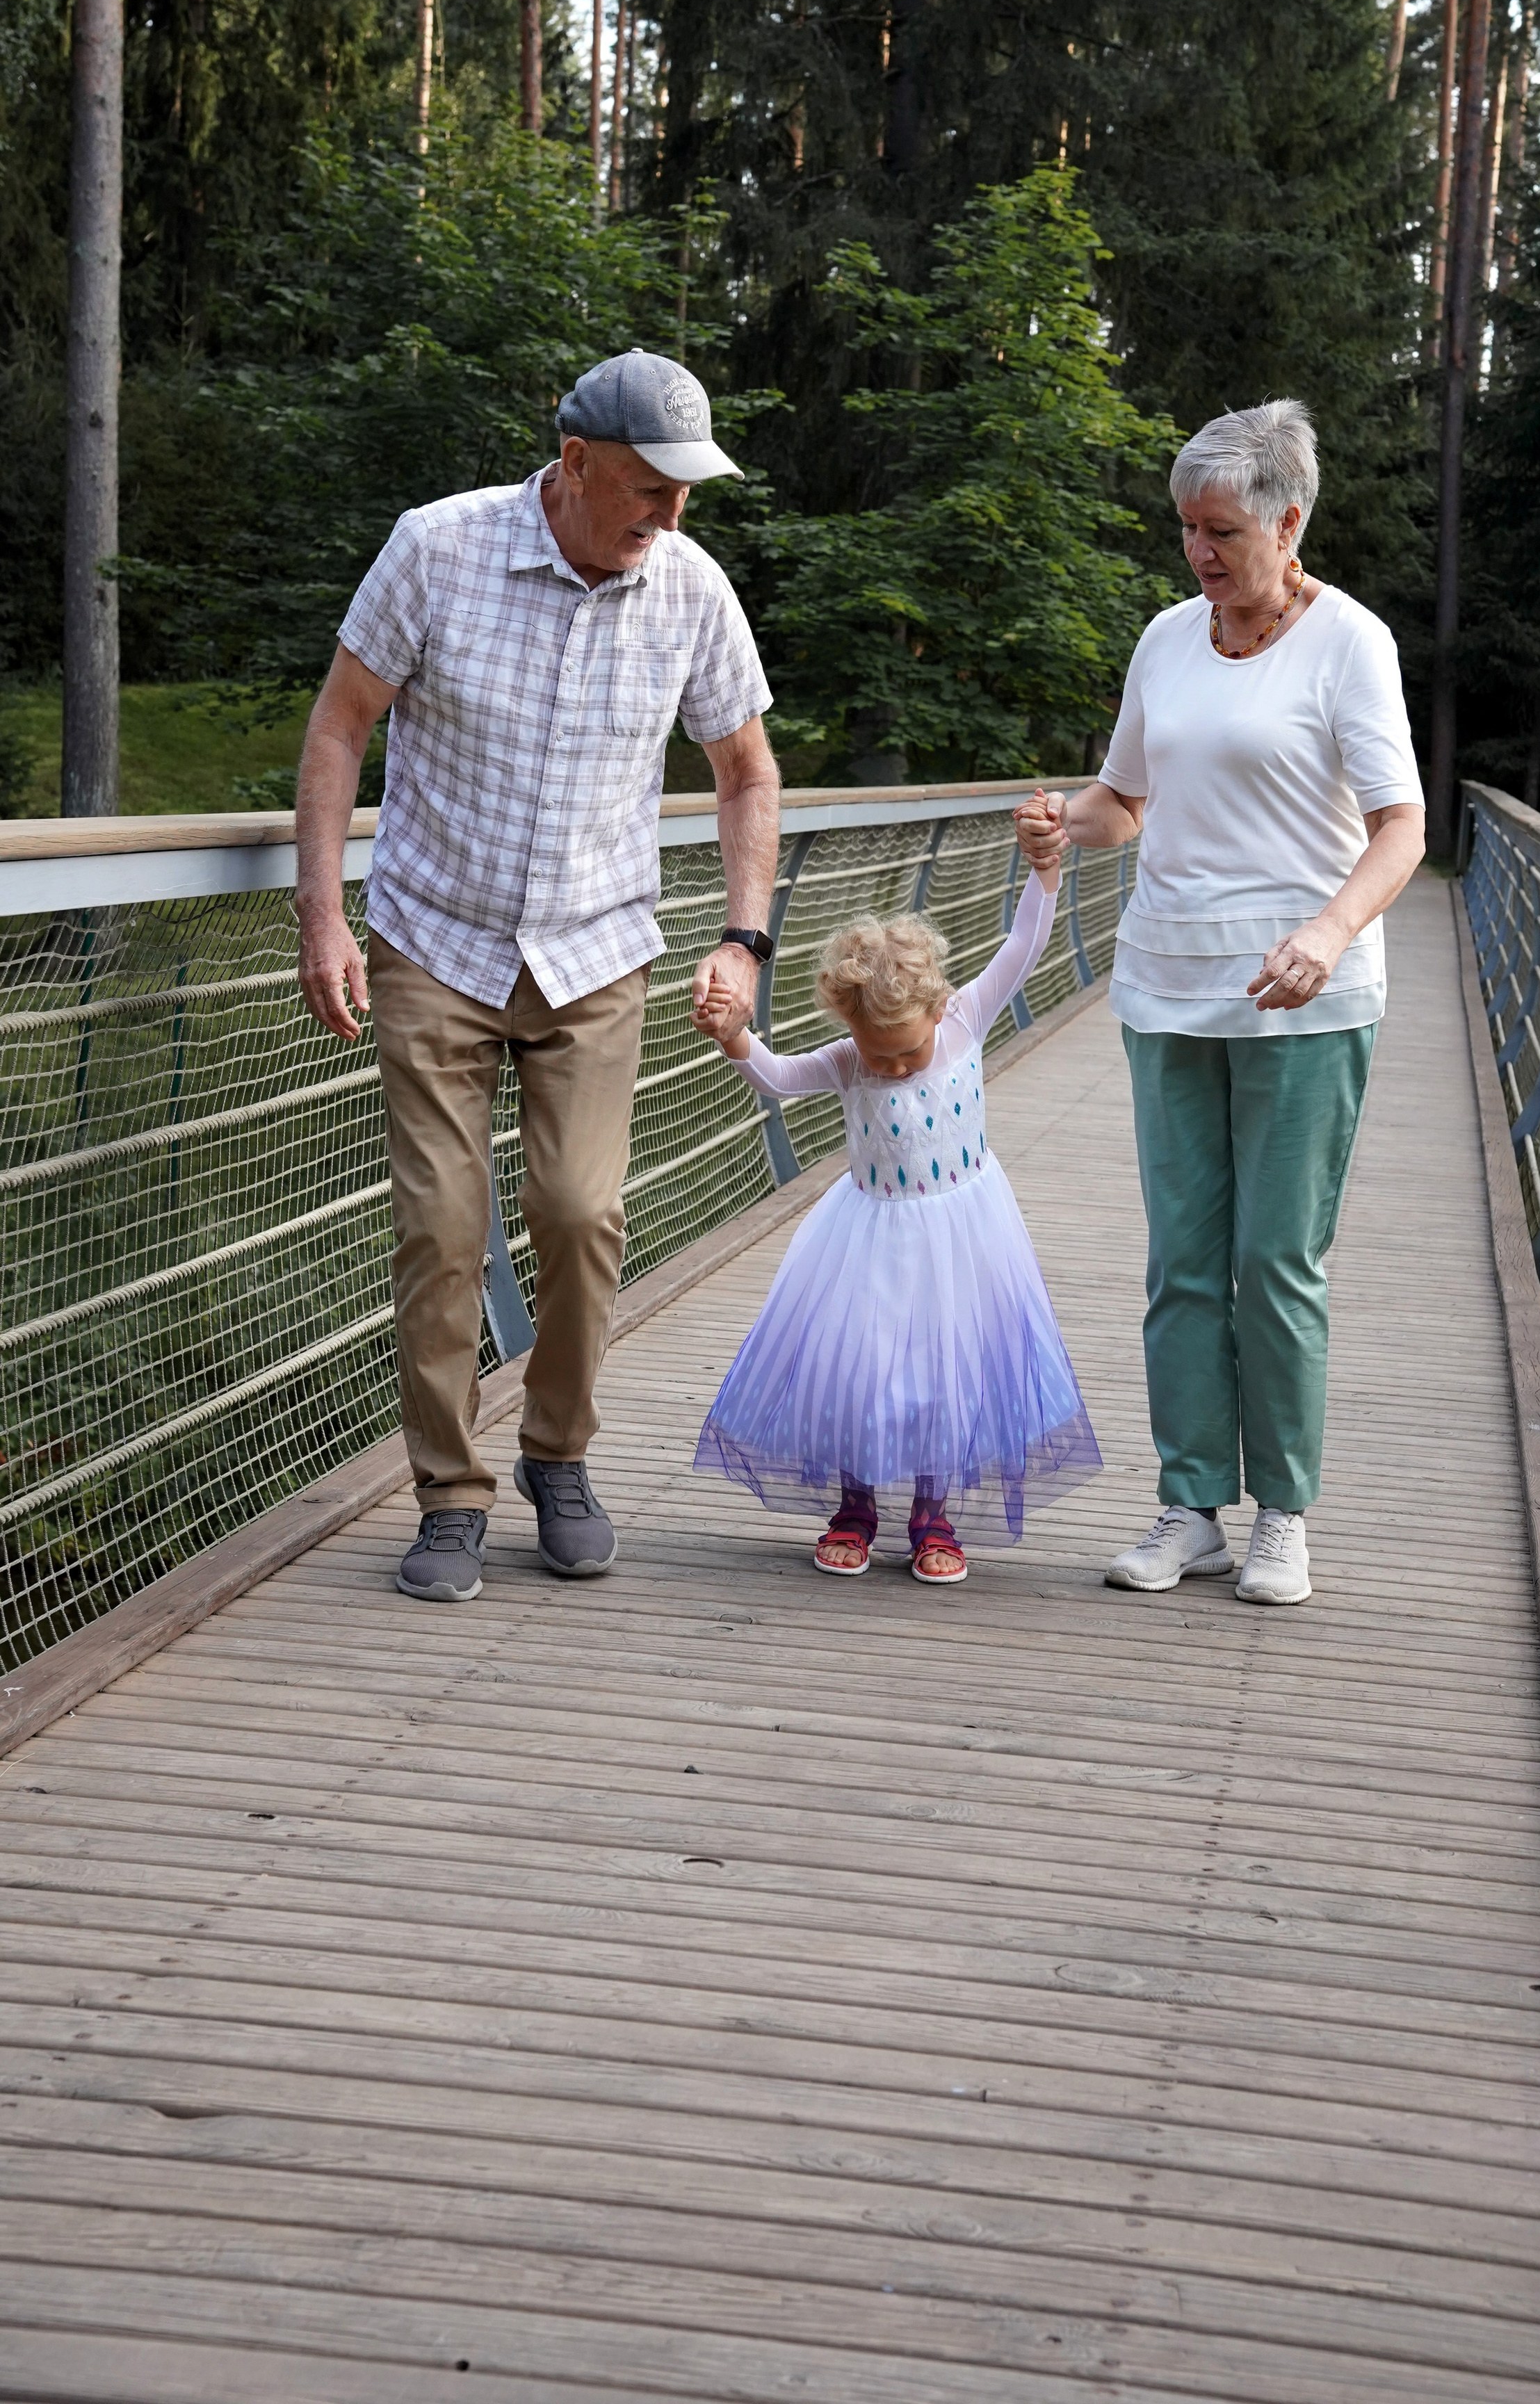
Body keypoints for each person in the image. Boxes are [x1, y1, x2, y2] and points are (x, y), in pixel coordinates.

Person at [293, 348, 781, 1604]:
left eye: (686, 496)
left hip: (594, 953)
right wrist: (324, 916)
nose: (671, 518)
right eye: (650, 489)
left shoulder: (689, 588)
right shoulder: (438, 548)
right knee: (442, 1233)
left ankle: (557, 1458)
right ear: (573, 463)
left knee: (579, 1214)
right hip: (433, 942)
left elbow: (747, 772)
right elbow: (342, 724)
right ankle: (450, 1496)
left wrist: (745, 937)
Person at [1016, 399, 1424, 1609]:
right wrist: (1062, 825)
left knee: (1275, 1261)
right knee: (1185, 1264)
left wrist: (1329, 930)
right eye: (1187, 529)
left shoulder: (1350, 642)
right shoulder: (1165, 640)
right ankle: (1190, 1507)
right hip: (1168, 985)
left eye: (1223, 531)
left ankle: (1282, 1516)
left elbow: (1403, 827)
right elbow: (1123, 802)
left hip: (1310, 995)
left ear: (1287, 522)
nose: (1200, 552)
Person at [688, 815, 1099, 1583]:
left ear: (939, 1009)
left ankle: (933, 1514)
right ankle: (854, 1510)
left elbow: (1022, 947)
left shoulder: (966, 1018)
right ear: (849, 1029)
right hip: (870, 1234)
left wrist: (1044, 873)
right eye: (881, 1054)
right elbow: (778, 1079)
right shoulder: (851, 1059)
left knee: (950, 1372)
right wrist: (736, 1039)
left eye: (908, 1049)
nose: (899, 1066)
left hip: (965, 1231)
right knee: (862, 1371)